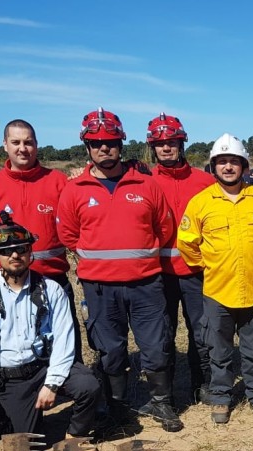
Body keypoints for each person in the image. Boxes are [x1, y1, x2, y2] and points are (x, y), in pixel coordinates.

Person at [56, 108, 182, 432]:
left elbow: (164, 228)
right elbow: (68, 235)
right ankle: (118, 406)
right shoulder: (74, 190)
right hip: (99, 287)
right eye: (96, 142)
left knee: (156, 345)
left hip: (145, 284)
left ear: (121, 143)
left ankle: (161, 401)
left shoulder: (147, 184)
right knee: (110, 349)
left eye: (111, 142)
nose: (104, 148)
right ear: (86, 146)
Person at [0, 214, 100, 441]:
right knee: (27, 443)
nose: (15, 255)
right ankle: (11, 417)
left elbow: (64, 340)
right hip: (10, 377)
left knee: (88, 384)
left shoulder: (51, 290)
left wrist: (51, 384)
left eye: (21, 249)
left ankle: (76, 435)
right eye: (6, 251)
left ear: (30, 251)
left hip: (43, 367)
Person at [178, 134, 253, 424]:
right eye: (221, 162)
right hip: (217, 291)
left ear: (244, 166)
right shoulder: (200, 202)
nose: (228, 167)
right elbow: (186, 243)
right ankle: (221, 397)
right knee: (219, 350)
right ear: (213, 167)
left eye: (233, 162)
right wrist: (208, 266)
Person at [0, 120, 81, 360]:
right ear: (5, 145)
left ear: (37, 145)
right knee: (20, 349)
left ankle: (74, 387)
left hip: (54, 282)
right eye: (16, 142)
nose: (23, 148)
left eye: (28, 142)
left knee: (66, 347)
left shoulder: (58, 181)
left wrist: (82, 177)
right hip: (9, 284)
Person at [147, 112, 215, 405]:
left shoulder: (205, 181)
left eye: (172, 142)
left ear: (181, 143)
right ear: (153, 147)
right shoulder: (142, 181)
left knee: (201, 332)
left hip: (195, 271)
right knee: (163, 334)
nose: (166, 148)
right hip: (157, 273)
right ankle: (167, 393)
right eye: (160, 143)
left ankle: (204, 386)